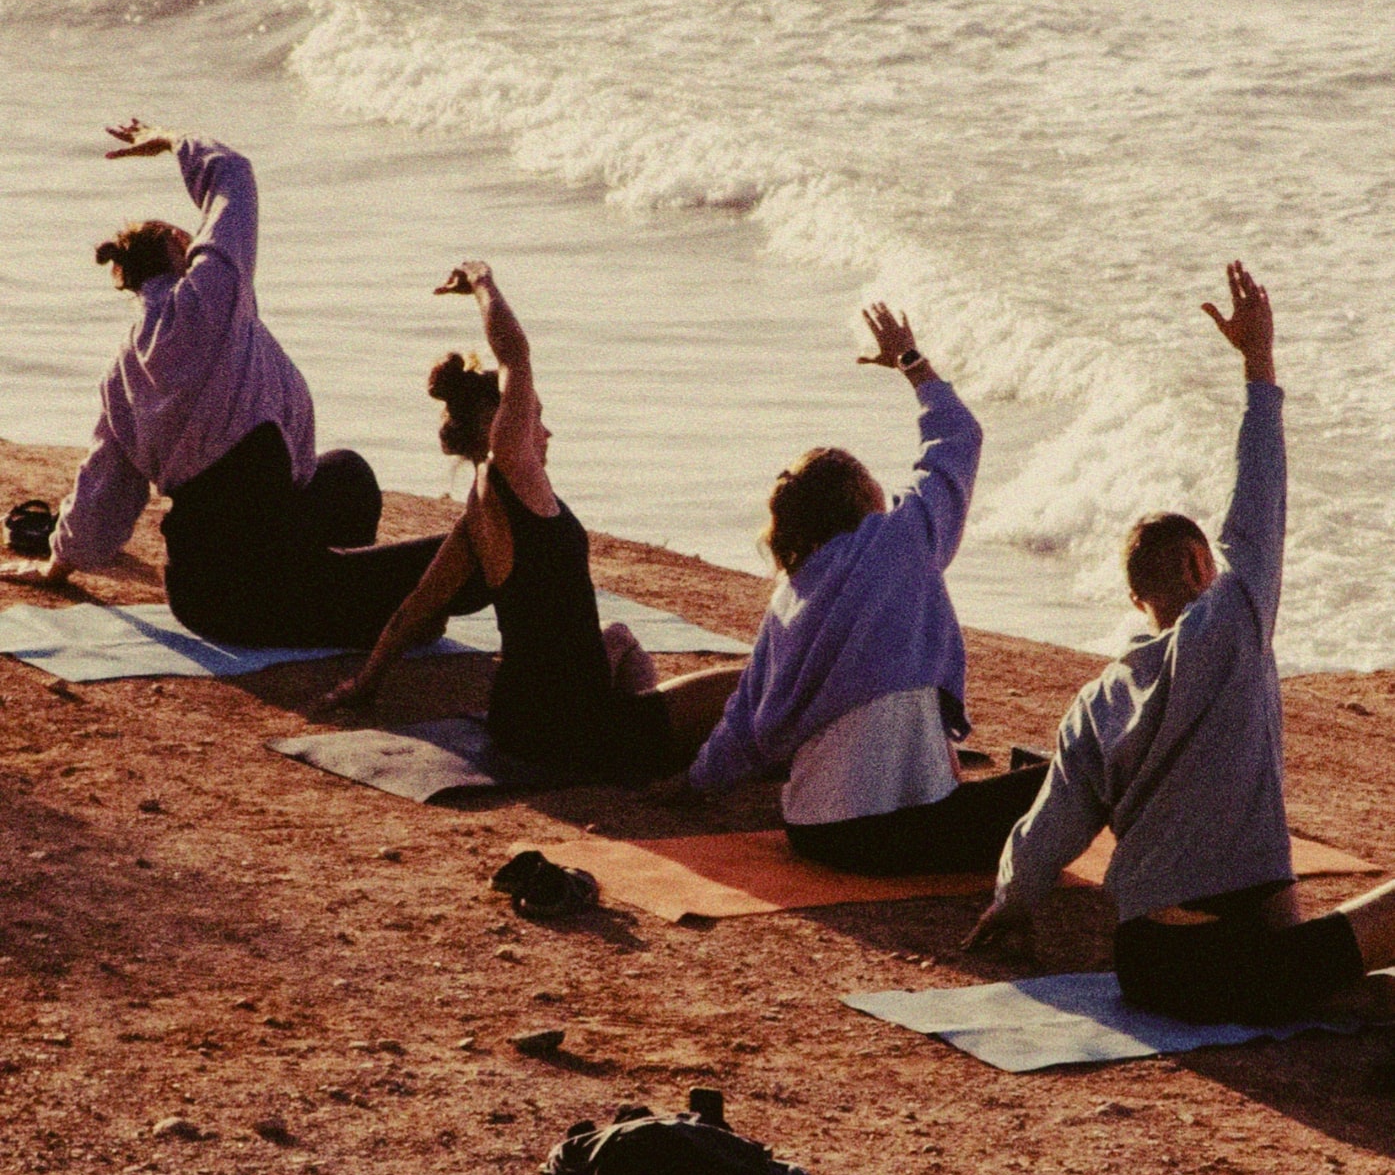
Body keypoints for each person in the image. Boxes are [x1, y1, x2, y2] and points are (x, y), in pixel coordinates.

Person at [969, 261, 1395, 1024]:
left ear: (1136, 600)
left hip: (1147, 970)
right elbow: (1257, 508)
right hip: (1229, 970)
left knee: (1295, 933)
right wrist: (1258, 369)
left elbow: (1049, 828)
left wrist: (1012, 902)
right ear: (1204, 566)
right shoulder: (1230, 623)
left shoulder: (1096, 698)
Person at [0, 120, 484, 649]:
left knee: (346, 474)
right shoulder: (211, 294)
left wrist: (58, 565)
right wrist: (173, 138)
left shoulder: (120, 372)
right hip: (248, 595)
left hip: (205, 597)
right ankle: (363, 607)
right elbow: (233, 177)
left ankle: (355, 598)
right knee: (485, 553)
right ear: (177, 244)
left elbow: (103, 484)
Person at [320, 261, 745, 783]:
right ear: (498, 424)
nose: (547, 432)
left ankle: (633, 736)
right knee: (750, 682)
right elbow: (515, 355)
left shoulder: (474, 518)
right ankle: (638, 747)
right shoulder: (513, 471)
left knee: (618, 637)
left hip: (517, 723)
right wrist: (482, 283)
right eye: (535, 417)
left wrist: (365, 684)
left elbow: (414, 610)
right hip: (571, 729)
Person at [687, 303, 1048, 871]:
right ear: (864, 498)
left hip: (810, 831)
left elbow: (743, 719)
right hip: (897, 836)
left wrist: (693, 785)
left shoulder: (789, 596)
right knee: (1086, 766)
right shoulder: (901, 539)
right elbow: (959, 434)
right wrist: (912, 361)